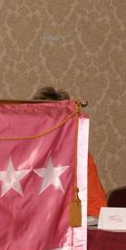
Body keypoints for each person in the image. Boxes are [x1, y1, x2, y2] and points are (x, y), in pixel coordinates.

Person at [32, 86, 107, 218]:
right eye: (44, 119)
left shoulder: (80, 158)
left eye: (57, 120)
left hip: (68, 233)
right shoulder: (21, 158)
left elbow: (97, 210)